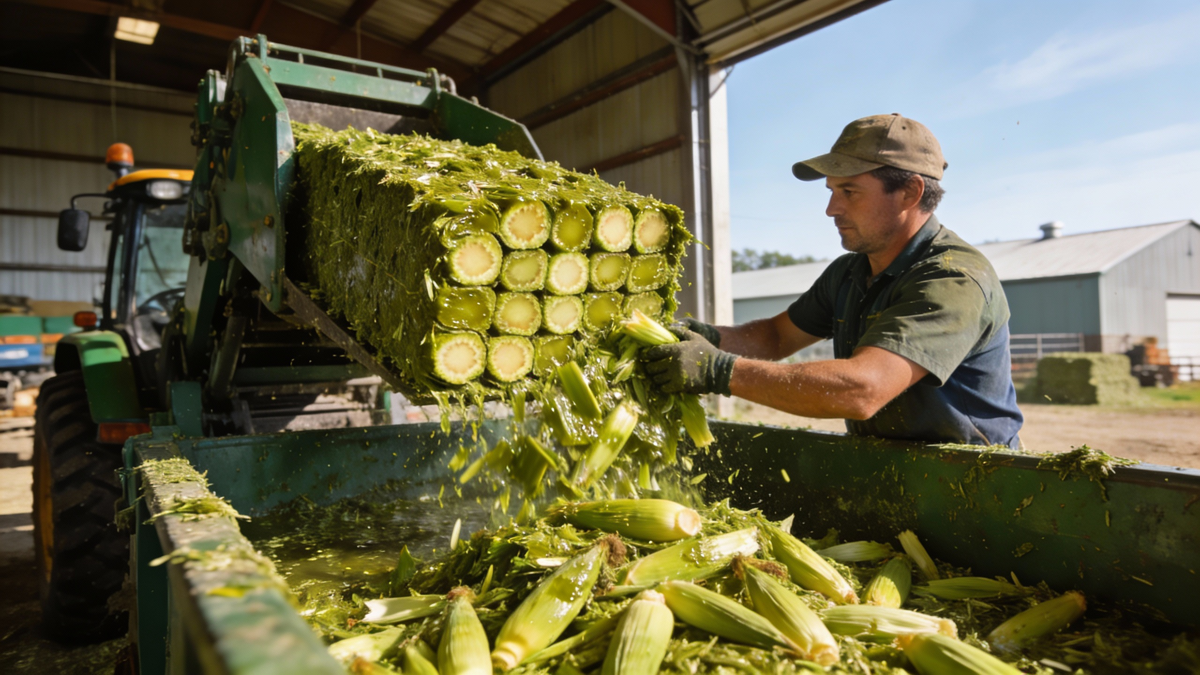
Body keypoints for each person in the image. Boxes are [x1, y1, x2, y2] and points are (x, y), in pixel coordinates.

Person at [645, 114, 1023, 447]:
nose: (831, 209)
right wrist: (697, 338)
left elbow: (862, 390)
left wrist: (716, 370)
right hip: (884, 464)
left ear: (910, 192)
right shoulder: (850, 271)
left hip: (973, 478)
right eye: (831, 191)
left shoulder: (953, 277)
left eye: (849, 192)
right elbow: (774, 337)